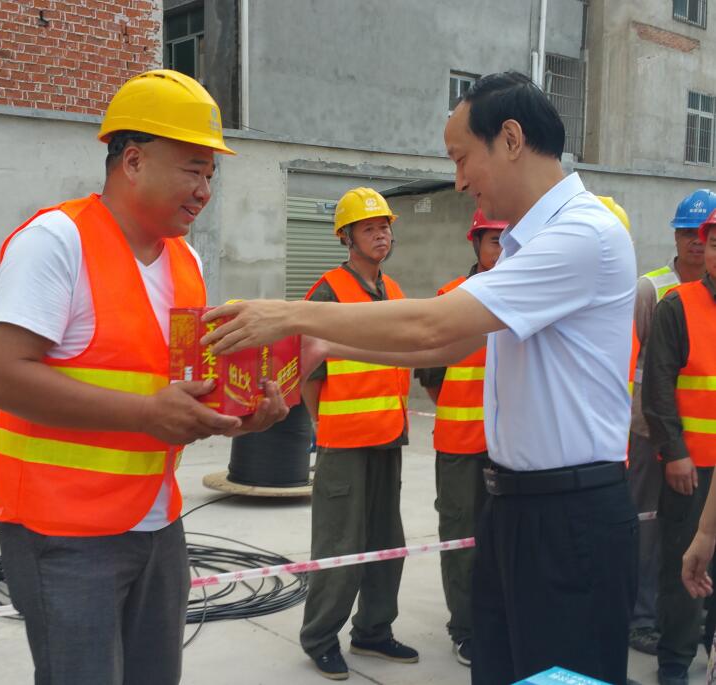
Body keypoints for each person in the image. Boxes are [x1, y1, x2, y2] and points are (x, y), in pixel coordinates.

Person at [201, 71, 638, 684]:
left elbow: (434, 326)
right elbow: (453, 343)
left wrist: (287, 315)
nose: (458, 180)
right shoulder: (530, 244)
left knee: (560, 677)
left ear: (511, 140)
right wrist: (328, 343)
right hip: (515, 506)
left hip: (569, 517)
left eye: (461, 158)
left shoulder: (581, 235)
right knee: (503, 669)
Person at [0, 69, 288, 685]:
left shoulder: (186, 261)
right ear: (134, 160)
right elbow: (0, 378)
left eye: (211, 175)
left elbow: (176, 390)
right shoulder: (56, 241)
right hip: (63, 533)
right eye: (193, 170)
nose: (204, 191)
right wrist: (147, 414)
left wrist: (239, 417)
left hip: (158, 522)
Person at [298, 187, 418, 681]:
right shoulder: (327, 292)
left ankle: (373, 630)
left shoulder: (395, 292)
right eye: (369, 228)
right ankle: (320, 639)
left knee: (388, 543)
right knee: (339, 547)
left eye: (384, 227)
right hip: (343, 441)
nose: (381, 235)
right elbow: (308, 373)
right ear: (346, 237)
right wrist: (322, 425)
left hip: (388, 437)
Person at [413, 209, 506, 667]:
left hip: (510, 449)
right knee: (461, 538)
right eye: (494, 241)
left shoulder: (525, 297)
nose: (502, 250)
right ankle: (465, 628)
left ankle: (497, 620)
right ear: (476, 243)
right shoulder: (452, 298)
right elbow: (431, 376)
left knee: (504, 539)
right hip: (460, 447)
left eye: (509, 240)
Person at [629, 188, 716, 656]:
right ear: (677, 237)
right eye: (688, 234)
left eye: (703, 236)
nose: (696, 244)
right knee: (649, 527)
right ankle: (643, 618)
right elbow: (645, 369)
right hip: (652, 434)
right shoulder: (653, 289)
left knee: (694, 534)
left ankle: (690, 620)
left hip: (701, 443)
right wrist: (663, 438)